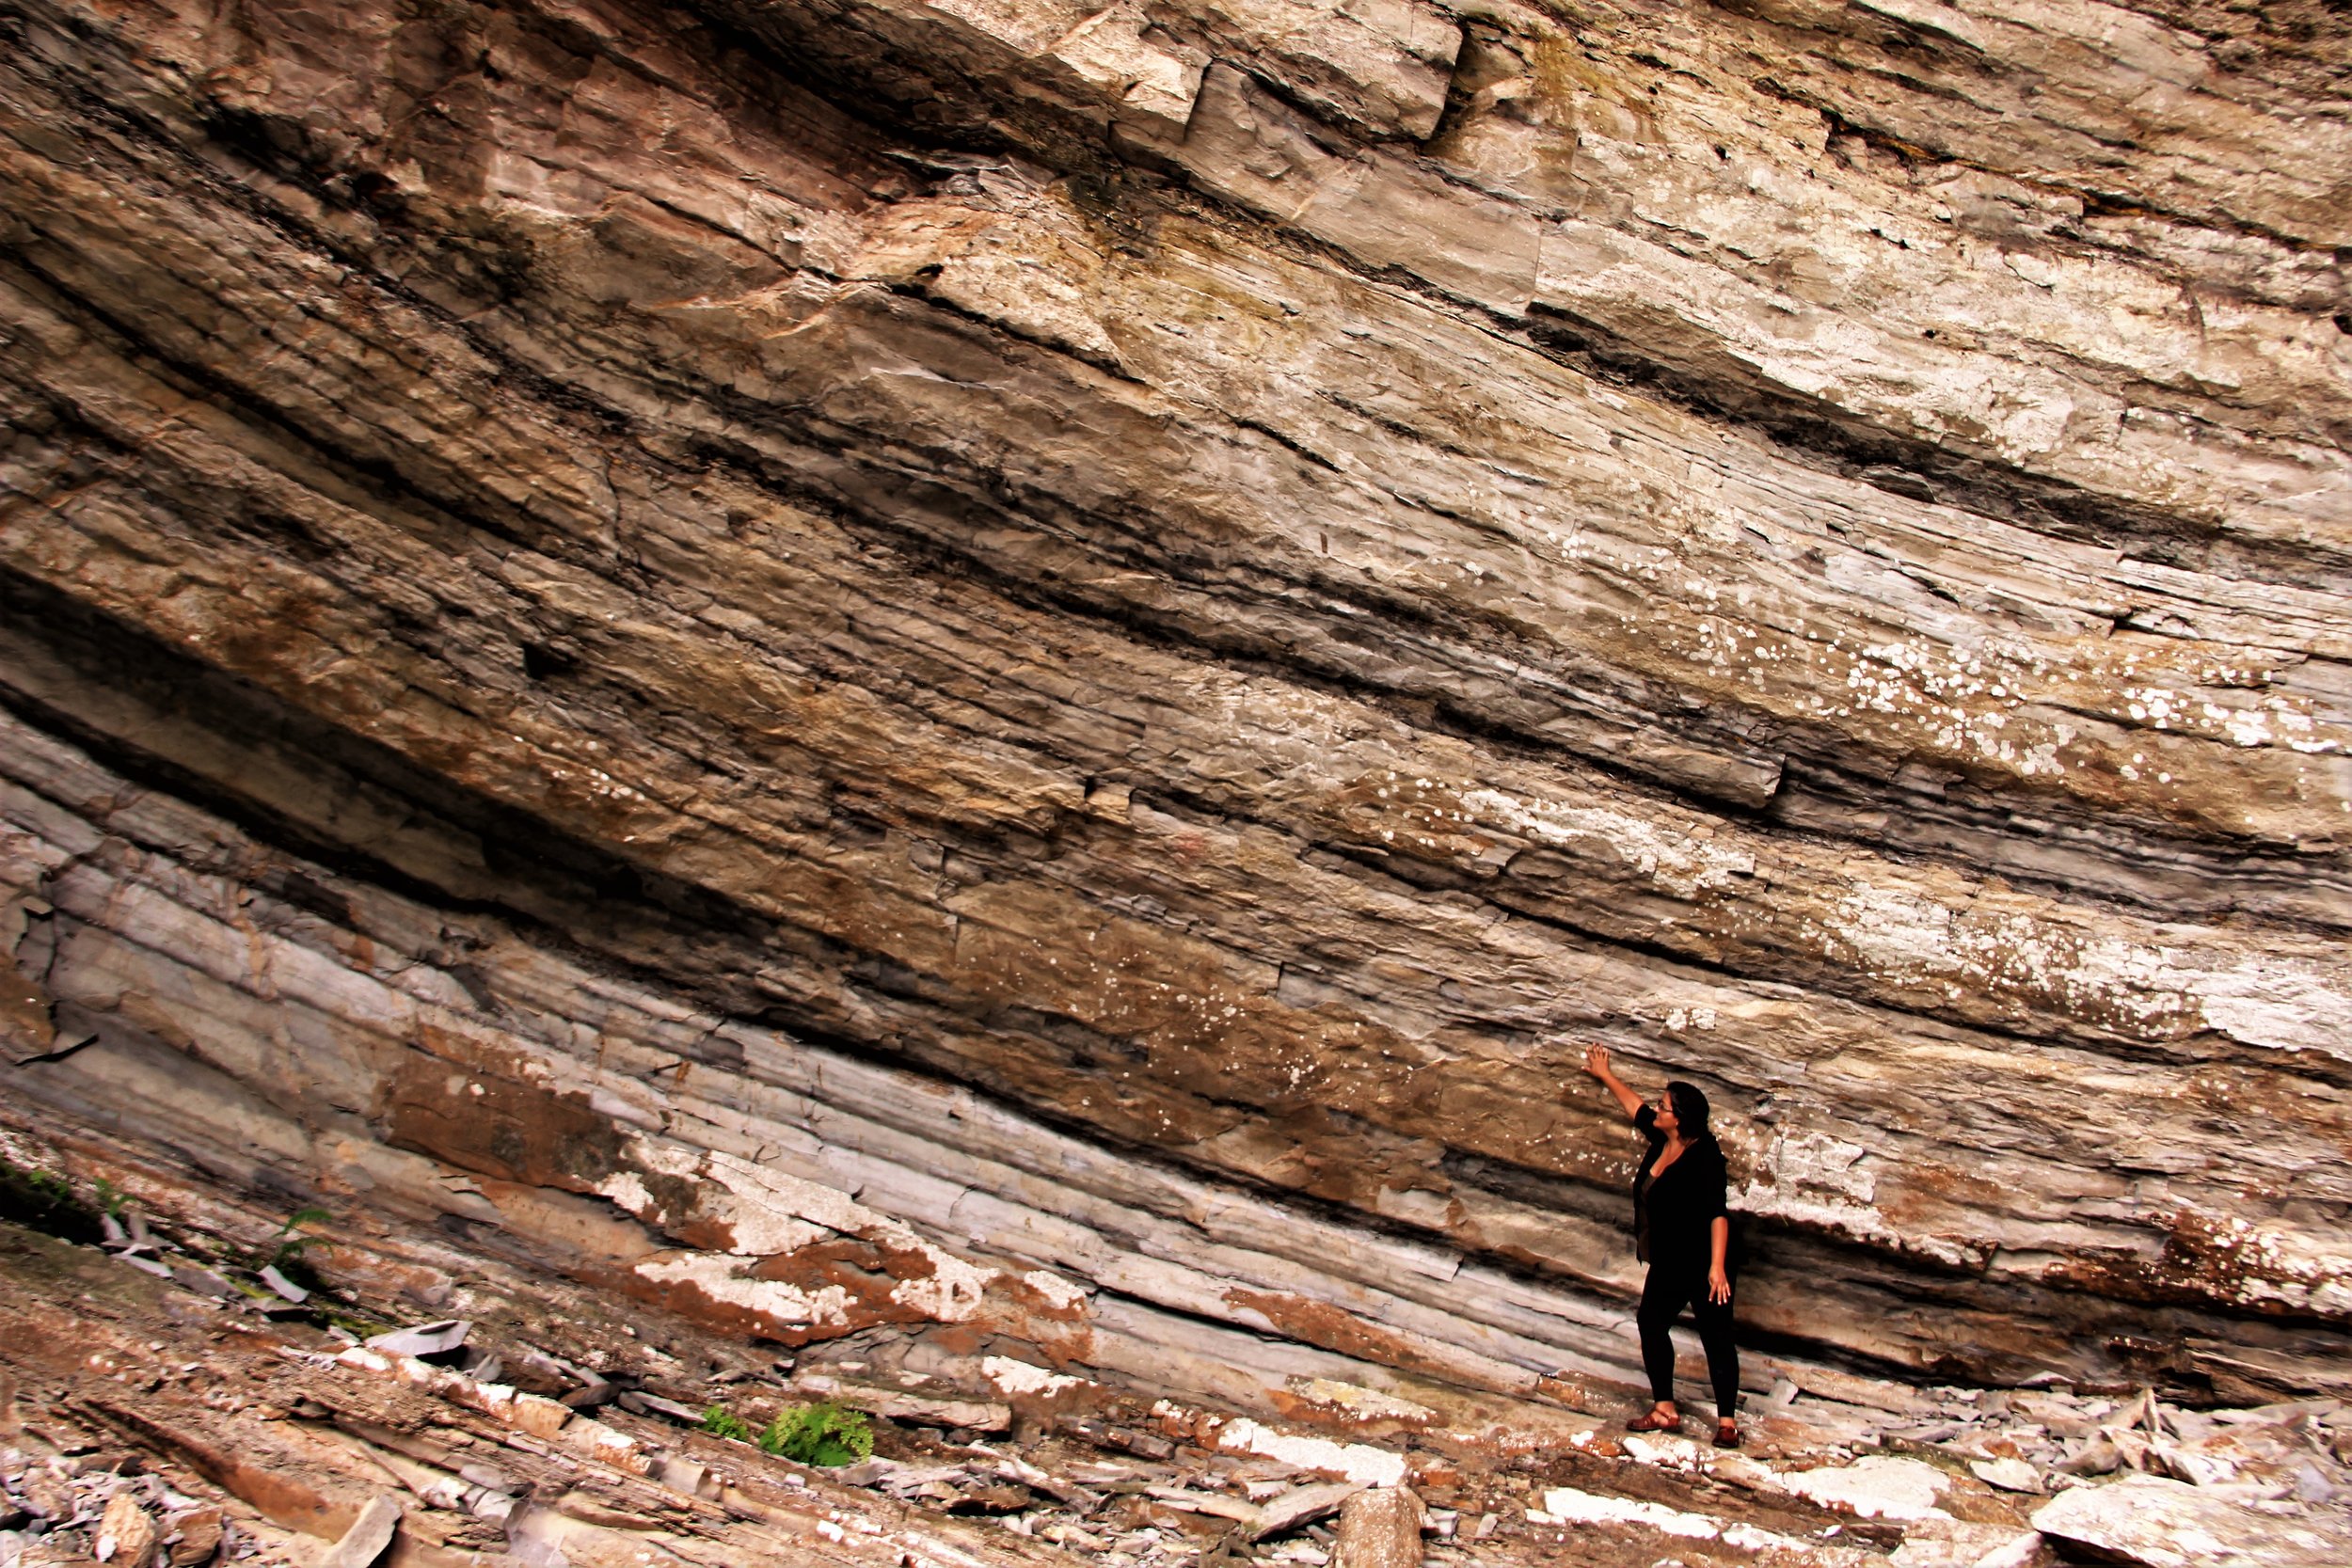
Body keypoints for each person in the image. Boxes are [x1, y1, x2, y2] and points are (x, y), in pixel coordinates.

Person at [1581, 1043, 1741, 1448]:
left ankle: (1727, 1423)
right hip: (1669, 1259)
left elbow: (1716, 1213)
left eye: (1664, 1106)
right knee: (1651, 1323)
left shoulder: (1706, 1156)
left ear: (1680, 1119)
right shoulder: (1661, 1136)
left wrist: (1717, 1267)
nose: (1657, 1110)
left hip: (1706, 1262)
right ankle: (1665, 1409)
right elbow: (1635, 1108)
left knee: (1716, 1335)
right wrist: (1605, 1074)